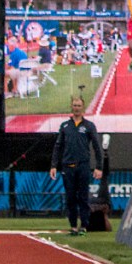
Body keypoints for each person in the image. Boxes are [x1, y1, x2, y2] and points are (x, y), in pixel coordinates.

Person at [50, 96, 103, 236]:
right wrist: (53, 165)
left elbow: (97, 147)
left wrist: (99, 166)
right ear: (71, 107)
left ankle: (84, 226)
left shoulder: (89, 126)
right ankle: (73, 225)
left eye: (79, 105)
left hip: (83, 166)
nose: (76, 108)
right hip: (67, 166)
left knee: (83, 197)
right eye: (74, 105)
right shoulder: (65, 126)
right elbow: (58, 146)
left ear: (83, 107)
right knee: (70, 197)